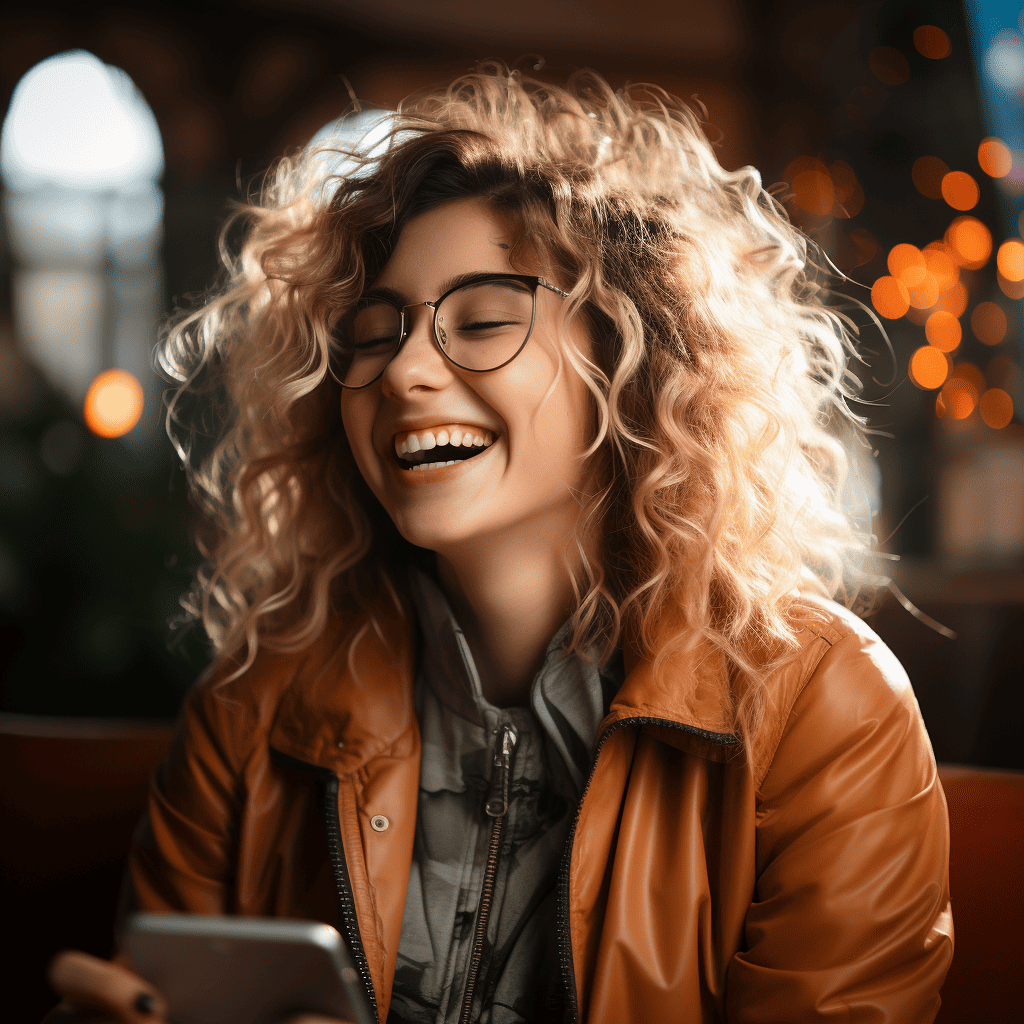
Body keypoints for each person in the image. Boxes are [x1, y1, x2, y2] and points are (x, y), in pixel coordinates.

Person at [46, 65, 953, 1024]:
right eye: (371, 333)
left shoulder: (825, 710)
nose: (402, 370)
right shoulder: (250, 714)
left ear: (631, 363)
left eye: (480, 322)